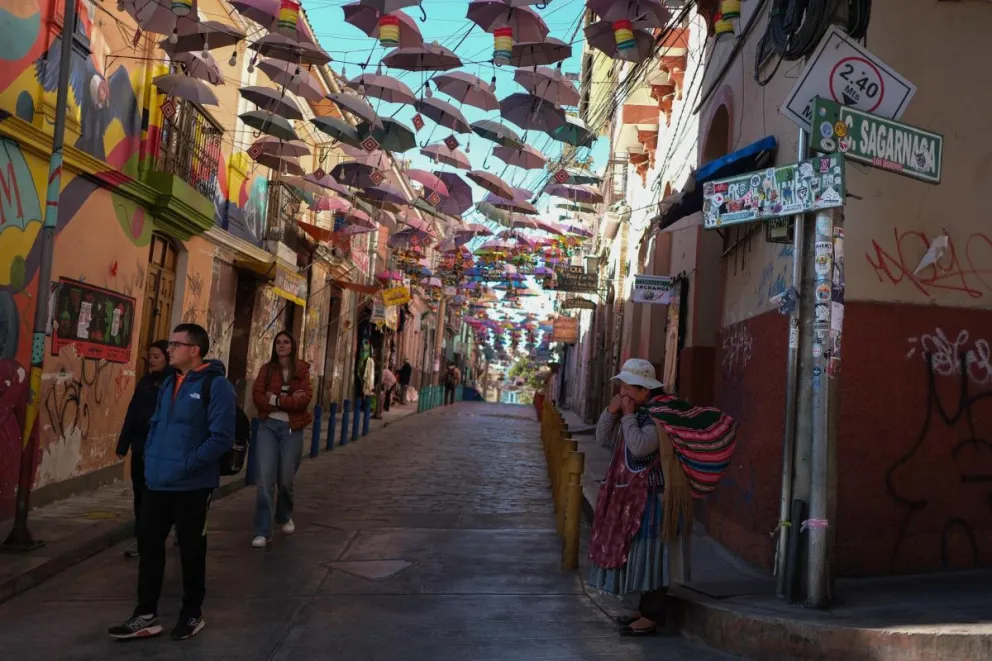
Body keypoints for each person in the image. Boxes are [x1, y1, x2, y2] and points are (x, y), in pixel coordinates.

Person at [108, 323, 235, 641]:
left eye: (176, 344)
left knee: (192, 550)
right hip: (157, 481)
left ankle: (192, 614)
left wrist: (187, 464)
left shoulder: (216, 386)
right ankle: (145, 614)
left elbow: (221, 438)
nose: (169, 349)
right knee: (150, 546)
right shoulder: (167, 383)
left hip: (193, 485)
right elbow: (155, 424)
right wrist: (151, 460)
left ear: (194, 350)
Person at [588, 359, 670, 637]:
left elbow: (638, 447)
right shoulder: (633, 413)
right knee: (637, 554)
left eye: (627, 389)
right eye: (620, 388)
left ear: (645, 391)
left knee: (654, 555)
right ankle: (641, 609)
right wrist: (612, 412)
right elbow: (603, 439)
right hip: (630, 498)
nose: (623, 394)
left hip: (653, 498)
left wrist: (626, 415)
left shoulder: (657, 417)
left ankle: (651, 616)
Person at [250, 331, 313, 548]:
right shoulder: (266, 370)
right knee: (265, 480)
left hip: (291, 429)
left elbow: (304, 400)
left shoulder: (302, 370)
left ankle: (284, 515)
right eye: (278, 342)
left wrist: (276, 399)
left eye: (286, 342)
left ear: (293, 345)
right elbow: (258, 396)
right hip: (268, 427)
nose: (282, 345)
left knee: (286, 479)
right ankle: (262, 531)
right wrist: (286, 400)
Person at [116, 340, 174, 558]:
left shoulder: (172, 382)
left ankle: (152, 538)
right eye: (150, 356)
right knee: (139, 493)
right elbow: (132, 412)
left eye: (157, 356)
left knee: (154, 495)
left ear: (167, 358)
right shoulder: (145, 382)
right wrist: (124, 443)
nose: (152, 360)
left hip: (160, 449)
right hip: (140, 446)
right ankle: (141, 539)